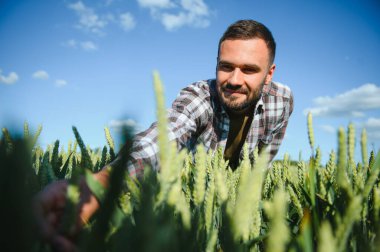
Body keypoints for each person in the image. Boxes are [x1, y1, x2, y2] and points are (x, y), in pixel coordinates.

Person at [34, 19, 294, 251]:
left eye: (249, 70)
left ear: (269, 73)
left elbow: (261, 164)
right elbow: (160, 140)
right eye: (226, 67)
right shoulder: (200, 96)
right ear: (216, 64)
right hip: (191, 204)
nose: (235, 79)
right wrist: (102, 184)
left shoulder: (282, 102)